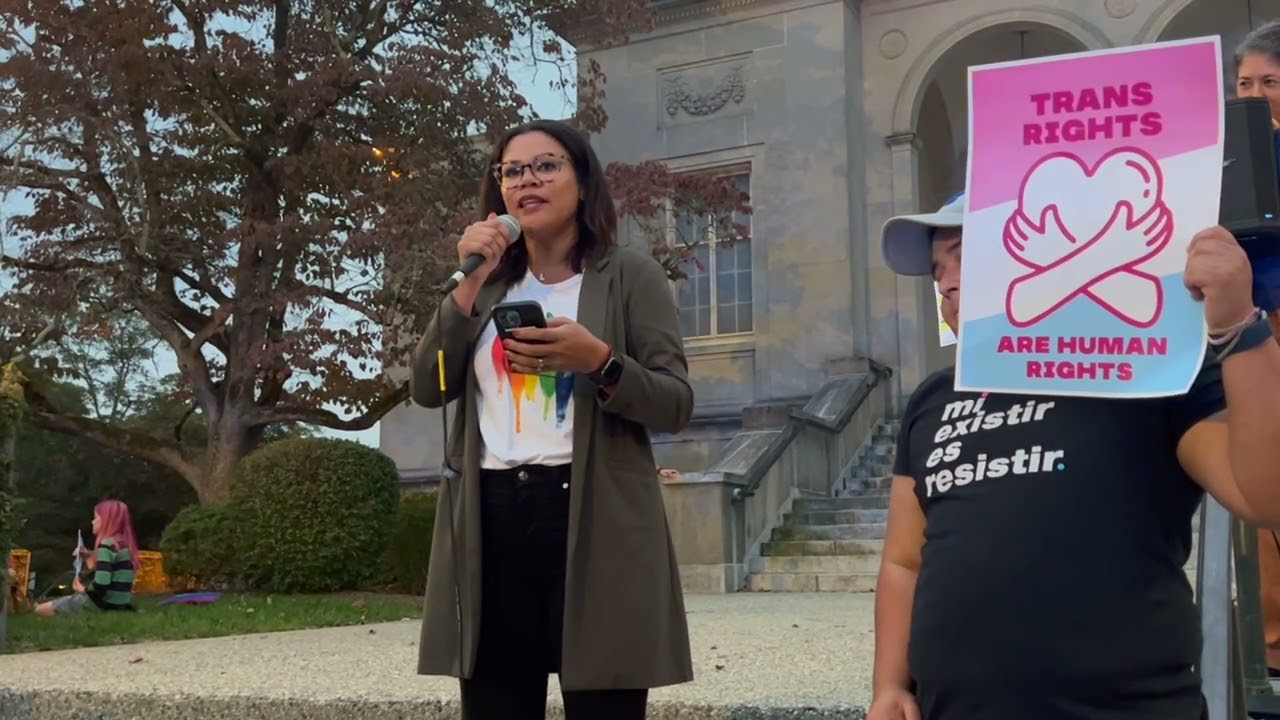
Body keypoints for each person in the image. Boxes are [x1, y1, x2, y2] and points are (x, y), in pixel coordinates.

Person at [869, 191, 1280, 720]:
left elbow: (1264, 494)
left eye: (966, 255)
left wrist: (1239, 327)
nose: (945, 283)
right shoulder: (934, 396)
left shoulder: (1146, 366)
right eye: (935, 269)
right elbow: (903, 561)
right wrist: (888, 685)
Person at [410, 118, 694, 719]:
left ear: (583, 184)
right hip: (491, 520)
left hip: (593, 515)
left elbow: (675, 402)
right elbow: (428, 386)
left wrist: (600, 362)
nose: (526, 180)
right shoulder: (485, 286)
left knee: (603, 704)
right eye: (511, 171)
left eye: (546, 166)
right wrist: (467, 286)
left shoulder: (629, 276)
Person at [1234, 18, 1280, 676]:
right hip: (1256, 327)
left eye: (1269, 81)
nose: (1255, 94)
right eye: (1244, 83)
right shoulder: (1233, 158)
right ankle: (1272, 654)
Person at [35, 499, 137, 616]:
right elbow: (111, 570)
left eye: (95, 517)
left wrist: (83, 589)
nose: (92, 522)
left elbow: (102, 584)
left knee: (41, 610)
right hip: (120, 605)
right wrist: (89, 555)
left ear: (106, 521)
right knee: (64, 601)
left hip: (100, 605)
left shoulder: (106, 545)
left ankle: (34, 607)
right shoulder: (122, 546)